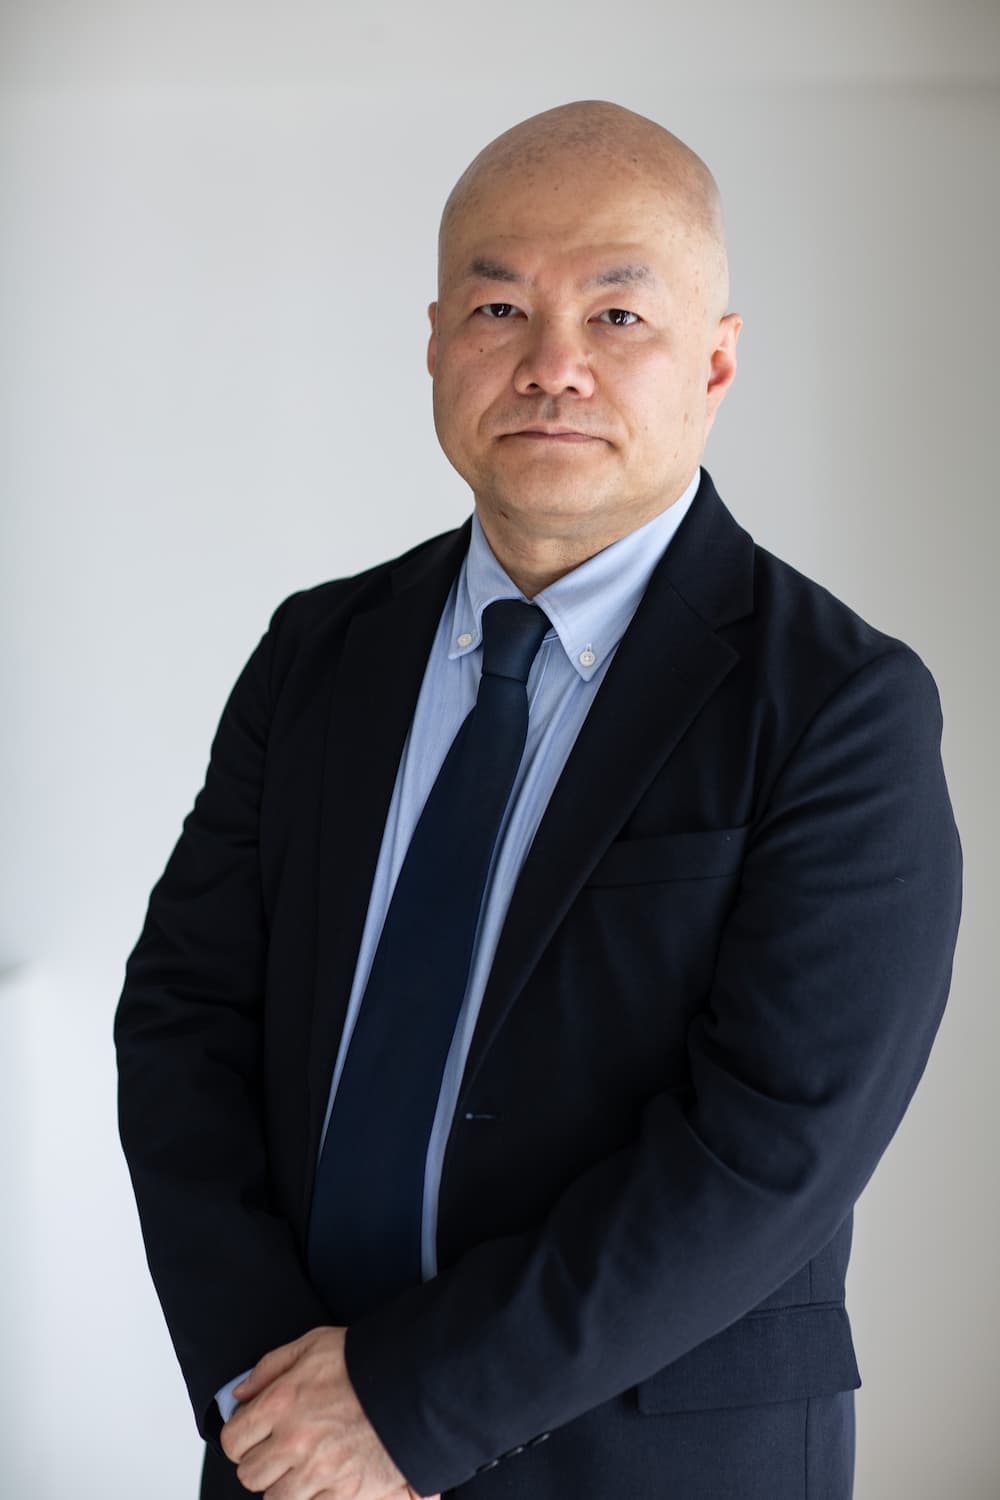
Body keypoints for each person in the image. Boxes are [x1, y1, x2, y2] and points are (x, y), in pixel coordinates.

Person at [114, 100, 962, 1500]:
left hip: (654, 1466)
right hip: (291, 1451)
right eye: (502, 305)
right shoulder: (314, 657)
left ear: (718, 362)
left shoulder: (840, 705)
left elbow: (769, 1149)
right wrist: (272, 1391)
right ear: (438, 344)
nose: (552, 365)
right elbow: (185, 1024)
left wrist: (404, 1405)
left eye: (618, 315)